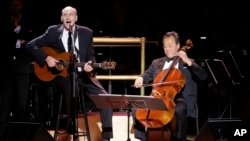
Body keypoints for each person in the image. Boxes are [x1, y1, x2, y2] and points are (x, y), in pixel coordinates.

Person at [25, 6, 113, 141]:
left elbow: (91, 56)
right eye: (65, 15)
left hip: (84, 76)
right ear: (61, 18)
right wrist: (46, 58)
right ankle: (71, 125)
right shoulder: (53, 31)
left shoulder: (86, 33)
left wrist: (90, 64)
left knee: (106, 99)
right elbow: (30, 45)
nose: (67, 17)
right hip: (63, 77)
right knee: (71, 87)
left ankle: (107, 138)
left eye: (71, 15)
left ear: (76, 18)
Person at [132, 31, 208, 141]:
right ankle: (142, 138)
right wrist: (141, 78)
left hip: (178, 98)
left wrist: (187, 61)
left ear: (178, 46)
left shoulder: (187, 62)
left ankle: (180, 139)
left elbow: (203, 77)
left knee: (180, 110)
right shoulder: (156, 62)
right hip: (157, 96)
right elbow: (147, 74)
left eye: (170, 46)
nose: (167, 49)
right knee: (136, 109)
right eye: (165, 46)